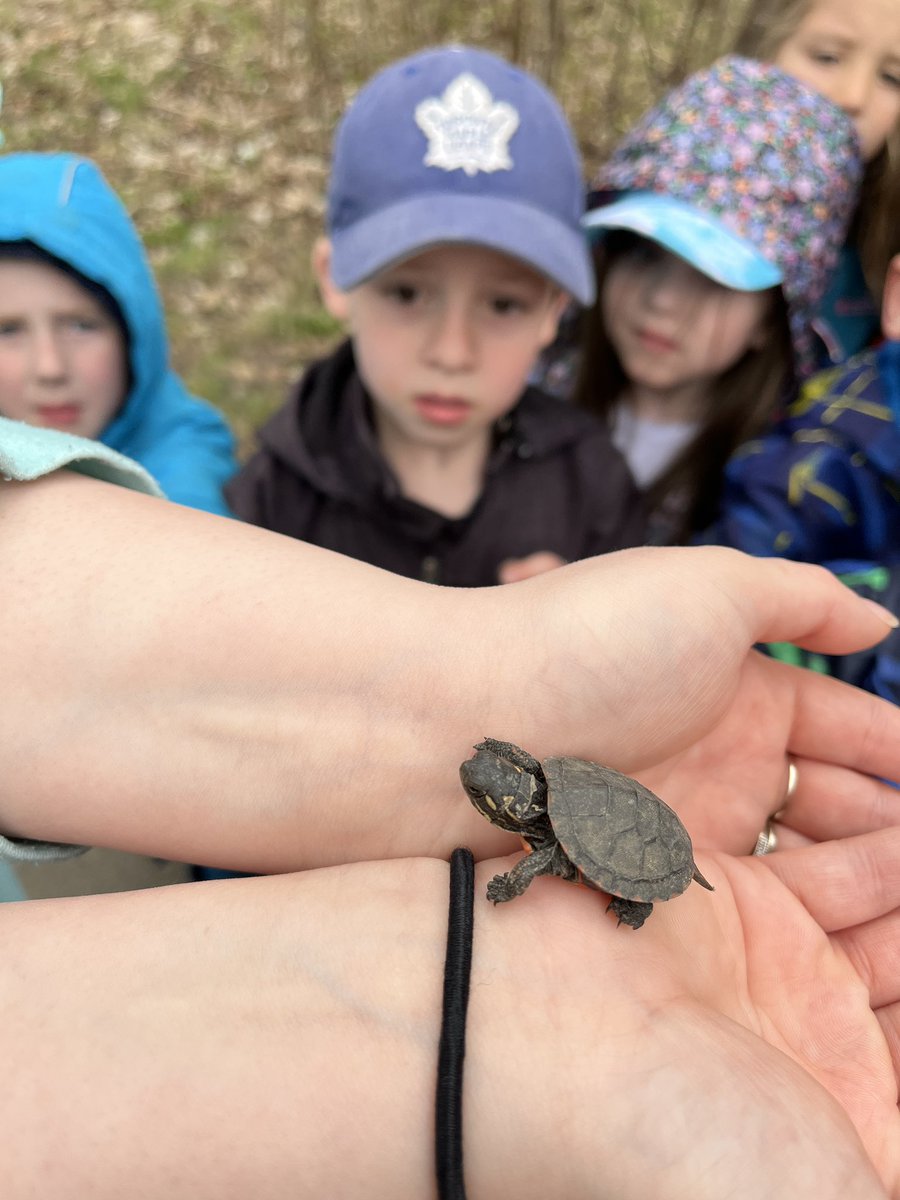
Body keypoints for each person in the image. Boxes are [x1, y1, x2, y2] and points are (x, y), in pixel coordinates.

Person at [2, 422, 900, 1195]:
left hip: (643, 845)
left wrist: (483, 698)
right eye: (492, 782)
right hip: (603, 833)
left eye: (491, 786)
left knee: (604, 870)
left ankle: (637, 892)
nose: (487, 787)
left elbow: (550, 850)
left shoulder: (547, 823)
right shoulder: (551, 791)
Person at [225, 45, 645, 588]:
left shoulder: (592, 485)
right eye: (406, 295)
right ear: (335, 278)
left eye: (503, 305)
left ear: (552, 311)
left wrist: (594, 628)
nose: (451, 353)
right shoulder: (273, 506)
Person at [572, 55, 862, 546]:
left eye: (713, 279)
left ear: (772, 319)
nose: (661, 300)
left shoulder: (786, 489)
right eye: (644, 253)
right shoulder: (520, 394)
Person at [0, 152, 237, 516]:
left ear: (132, 333)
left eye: (81, 325)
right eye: (8, 330)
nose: (50, 367)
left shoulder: (183, 474)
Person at [735, 0, 900, 368]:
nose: (854, 97)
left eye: (892, 78)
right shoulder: (666, 203)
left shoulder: (879, 256)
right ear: (762, 49)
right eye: (827, 57)